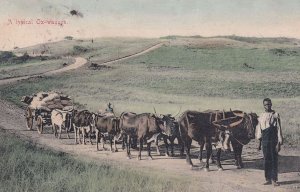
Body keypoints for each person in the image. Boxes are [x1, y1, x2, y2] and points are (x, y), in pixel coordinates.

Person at [256, 98, 283, 186]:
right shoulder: (261, 116)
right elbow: (259, 130)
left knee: (274, 159)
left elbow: (279, 129)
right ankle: (267, 179)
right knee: (266, 159)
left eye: (269, 104)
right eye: (266, 104)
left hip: (273, 139)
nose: (268, 106)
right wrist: (259, 143)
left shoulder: (275, 114)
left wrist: (279, 143)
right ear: (263, 106)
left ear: (271, 104)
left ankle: (274, 179)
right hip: (265, 139)